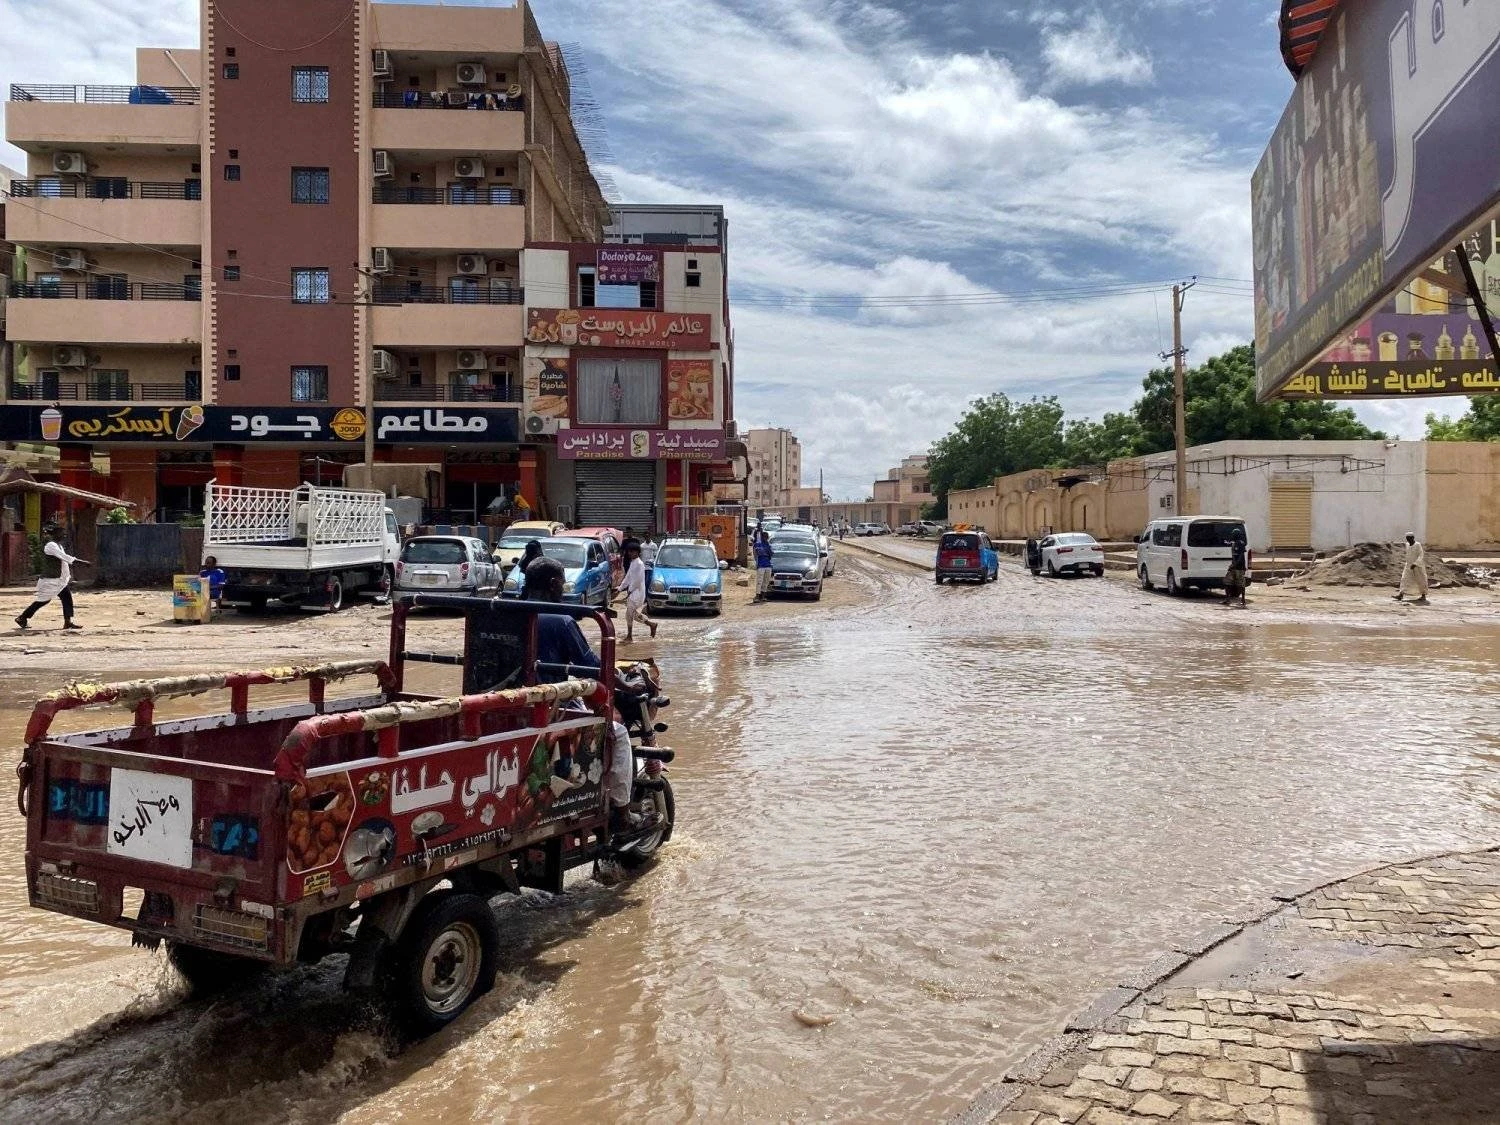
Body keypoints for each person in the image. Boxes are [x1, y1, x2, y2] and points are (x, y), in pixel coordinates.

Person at [528, 557, 641, 827]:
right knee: (619, 734)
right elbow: (592, 668)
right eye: (562, 583)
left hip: (507, 705)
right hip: (545, 708)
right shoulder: (560, 620)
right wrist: (625, 684)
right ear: (554, 584)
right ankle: (622, 811)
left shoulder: (500, 612)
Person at [16, 524, 88, 631]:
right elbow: (65, 557)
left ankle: (67, 622)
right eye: (60, 532)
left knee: (66, 598)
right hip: (50, 581)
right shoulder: (51, 545)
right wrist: (81, 562)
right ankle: (22, 617)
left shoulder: (59, 545)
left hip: (59, 580)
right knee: (43, 601)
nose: (63, 535)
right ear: (54, 534)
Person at [617, 541, 657, 643]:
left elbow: (637, 580)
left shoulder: (639, 564)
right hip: (633, 592)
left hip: (637, 592)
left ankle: (630, 636)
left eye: (632, 552)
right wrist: (619, 589)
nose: (630, 554)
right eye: (629, 552)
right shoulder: (633, 563)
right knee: (632, 614)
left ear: (637, 552)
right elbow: (628, 578)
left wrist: (629, 591)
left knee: (630, 614)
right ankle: (651, 624)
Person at [1395, 532, 1429, 604]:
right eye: (1407, 539)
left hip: (1418, 566)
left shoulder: (1417, 545)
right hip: (1408, 565)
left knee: (1421, 580)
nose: (1408, 540)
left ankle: (1423, 595)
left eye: (1409, 539)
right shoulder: (1407, 545)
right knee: (1404, 579)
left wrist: (1415, 563)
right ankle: (1401, 595)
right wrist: (1408, 563)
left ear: (1413, 538)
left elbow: (1421, 555)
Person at [1224, 528, 1249, 608]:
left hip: (1239, 567)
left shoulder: (1241, 543)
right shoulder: (1234, 543)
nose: (1232, 536)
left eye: (1234, 535)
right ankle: (1227, 599)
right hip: (1234, 566)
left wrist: (1234, 565)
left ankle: (1243, 600)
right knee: (1227, 582)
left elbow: (1241, 556)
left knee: (1241, 584)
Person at [752, 528, 774, 603]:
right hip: (761, 565)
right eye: (765, 537)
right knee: (759, 581)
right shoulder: (758, 544)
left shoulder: (768, 544)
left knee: (766, 581)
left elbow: (771, 554)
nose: (766, 538)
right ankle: (757, 596)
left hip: (768, 565)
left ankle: (763, 596)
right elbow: (756, 553)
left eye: (767, 537)